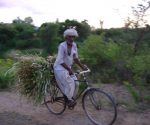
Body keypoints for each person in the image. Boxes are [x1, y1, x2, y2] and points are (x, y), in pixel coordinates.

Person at [53, 28, 87, 107]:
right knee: (70, 83)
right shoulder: (62, 46)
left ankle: (71, 98)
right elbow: (60, 60)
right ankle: (69, 100)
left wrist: (82, 66)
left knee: (77, 83)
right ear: (66, 37)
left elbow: (75, 58)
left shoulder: (74, 45)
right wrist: (69, 69)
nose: (71, 39)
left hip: (68, 67)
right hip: (59, 68)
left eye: (73, 37)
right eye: (69, 37)